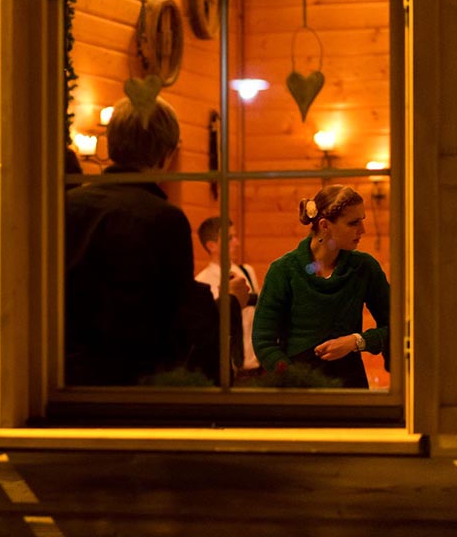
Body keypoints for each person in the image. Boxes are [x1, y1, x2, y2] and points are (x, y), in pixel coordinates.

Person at [64, 94, 220, 386]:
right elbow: (176, 319)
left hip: (64, 377)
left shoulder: (67, 205)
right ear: (166, 155)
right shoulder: (164, 219)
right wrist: (226, 307)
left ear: (111, 144)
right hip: (135, 383)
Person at [251, 184, 390, 388]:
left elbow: (396, 327)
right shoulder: (284, 270)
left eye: (362, 220)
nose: (363, 230)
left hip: (351, 389)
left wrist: (356, 341)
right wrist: (293, 377)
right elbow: (264, 342)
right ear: (325, 225)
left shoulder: (364, 268)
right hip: (299, 391)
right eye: (353, 223)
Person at [195, 217, 258, 377]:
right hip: (226, 371)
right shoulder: (203, 282)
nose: (237, 243)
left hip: (255, 366)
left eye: (235, 237)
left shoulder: (247, 272)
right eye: (230, 238)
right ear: (212, 246)